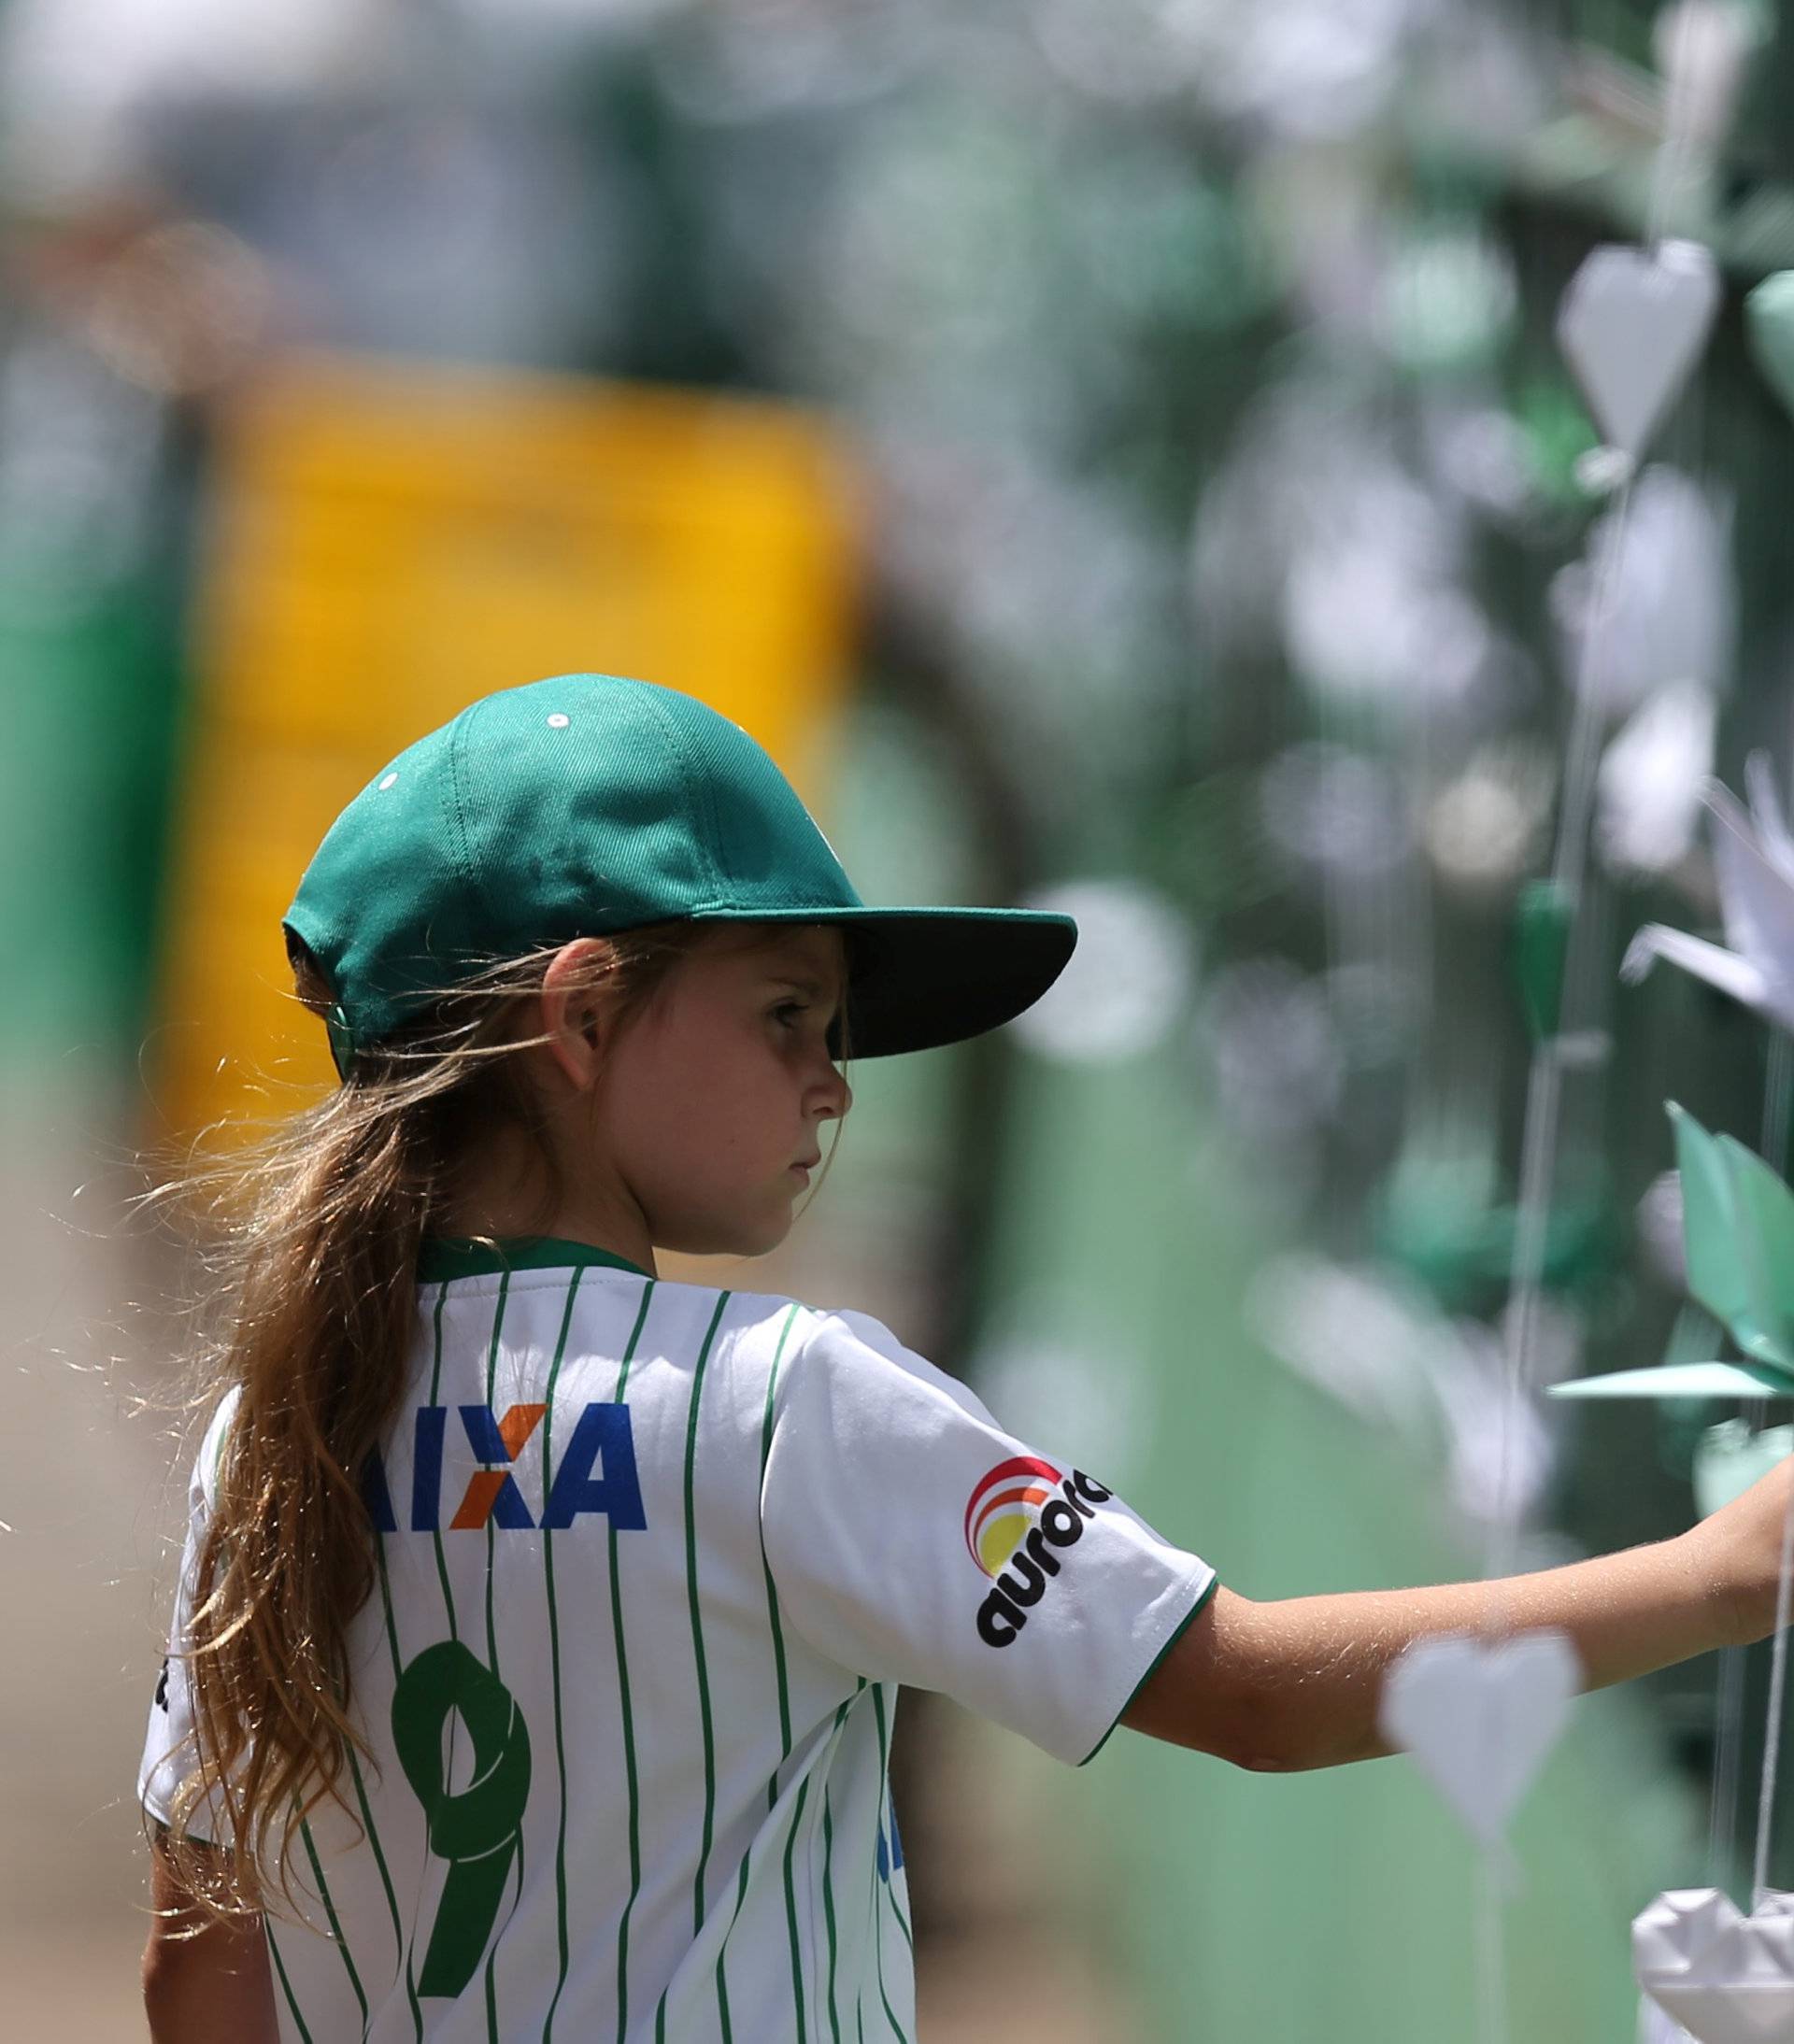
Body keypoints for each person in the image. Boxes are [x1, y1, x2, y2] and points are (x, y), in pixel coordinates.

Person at [138, 672, 1794, 2043]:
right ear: (579, 1017)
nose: (835, 1081)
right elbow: (1250, 1694)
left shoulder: (280, 1429)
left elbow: (198, 1970)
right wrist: (1723, 1572)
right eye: (789, 1012)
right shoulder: (783, 1401)